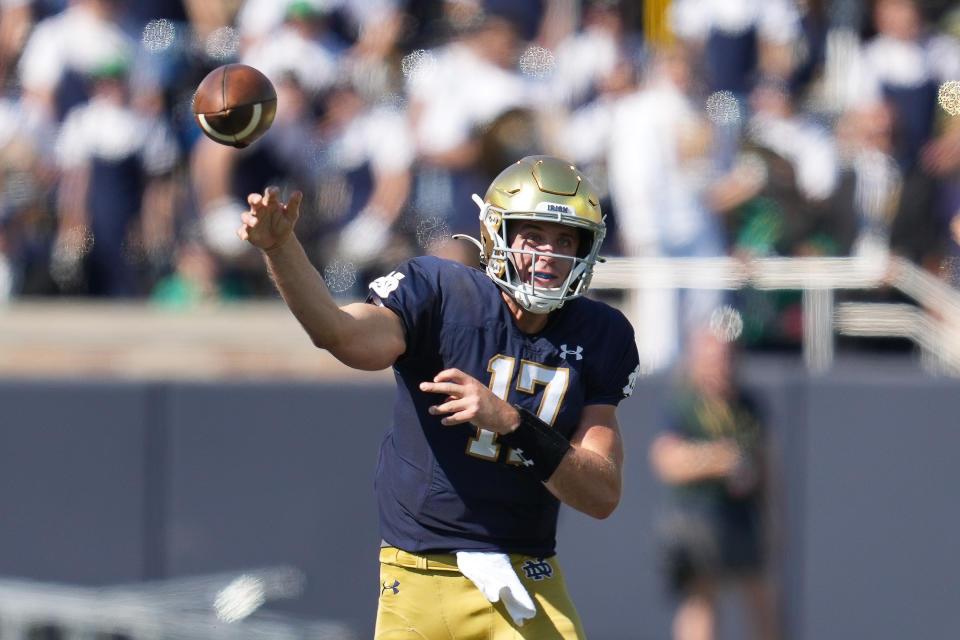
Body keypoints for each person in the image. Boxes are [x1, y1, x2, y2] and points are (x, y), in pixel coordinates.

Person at [237, 155, 641, 638]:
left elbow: (601, 494)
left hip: (526, 576)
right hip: (417, 575)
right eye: (532, 236)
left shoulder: (603, 333)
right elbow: (341, 335)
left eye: (565, 239)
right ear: (498, 235)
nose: (549, 254)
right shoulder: (442, 291)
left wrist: (513, 423)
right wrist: (282, 249)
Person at [648, 324, 778, 640]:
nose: (723, 363)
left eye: (729, 355)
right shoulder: (685, 402)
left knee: (762, 598)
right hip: (696, 516)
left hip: (740, 515)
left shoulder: (748, 405)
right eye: (715, 356)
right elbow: (666, 460)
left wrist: (772, 519)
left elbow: (768, 466)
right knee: (701, 599)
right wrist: (716, 459)